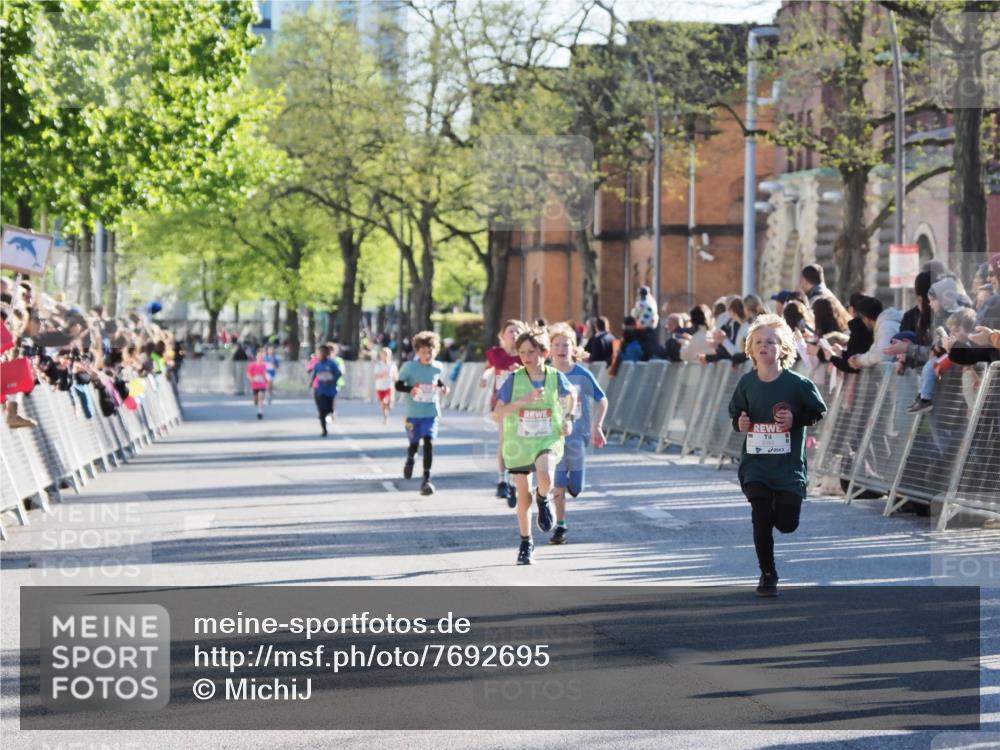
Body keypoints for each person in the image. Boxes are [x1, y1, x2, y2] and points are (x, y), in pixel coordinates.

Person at [728, 314, 827, 596]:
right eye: (758, 341)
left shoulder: (797, 384)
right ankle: (768, 574)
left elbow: (818, 412)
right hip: (756, 464)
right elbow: (736, 415)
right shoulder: (747, 384)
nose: (764, 346)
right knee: (760, 515)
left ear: (783, 348)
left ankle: (777, 508)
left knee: (786, 524)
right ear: (750, 348)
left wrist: (795, 418)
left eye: (771, 341)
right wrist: (740, 423)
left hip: (787, 466)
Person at [493, 327, 576, 565]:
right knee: (523, 495)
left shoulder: (555, 376)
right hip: (519, 443)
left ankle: (543, 498)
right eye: (521, 352)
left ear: (544, 352)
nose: (526, 357)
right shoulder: (514, 379)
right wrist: (523, 401)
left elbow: (572, 395)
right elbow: (498, 412)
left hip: (547, 438)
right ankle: (526, 543)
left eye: (531, 352)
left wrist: (569, 418)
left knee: (546, 477)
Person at [548, 323, 608, 545]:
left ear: (573, 348)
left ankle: (570, 487)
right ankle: (561, 525)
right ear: (550, 349)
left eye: (566, 345)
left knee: (576, 487)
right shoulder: (546, 375)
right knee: (558, 482)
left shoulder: (582, 375)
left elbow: (602, 399)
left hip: (578, 437)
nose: (561, 349)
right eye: (557, 345)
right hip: (553, 437)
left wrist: (598, 426)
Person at [395, 330, 449, 495]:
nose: (427, 355)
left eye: (430, 352)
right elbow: (398, 385)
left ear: (436, 351)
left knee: (428, 442)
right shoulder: (409, 367)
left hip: (431, 412)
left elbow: (436, 381)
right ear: (417, 352)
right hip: (413, 413)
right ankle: (410, 459)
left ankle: (426, 479)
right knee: (413, 443)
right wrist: (410, 389)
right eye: (424, 352)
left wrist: (443, 387)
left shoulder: (438, 367)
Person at [481, 319, 525, 504]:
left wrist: (521, 369)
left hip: (522, 403)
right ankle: (502, 480)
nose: (514, 334)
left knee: (518, 441)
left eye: (517, 331)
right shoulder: (496, 354)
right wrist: (484, 378)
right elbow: (488, 368)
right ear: (503, 335)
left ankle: (514, 481)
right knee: (505, 439)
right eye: (510, 331)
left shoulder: (525, 355)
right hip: (501, 403)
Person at [847, 295, 902, 370]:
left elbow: (882, 355)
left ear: (866, 317)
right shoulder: (882, 326)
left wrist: (860, 360)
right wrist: (859, 358)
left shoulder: (886, 327)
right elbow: (875, 352)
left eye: (862, 318)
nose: (863, 321)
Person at [310, 345, 343, 437]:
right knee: (321, 410)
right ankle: (324, 429)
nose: (318, 355)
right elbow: (315, 374)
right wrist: (311, 382)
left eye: (320, 353)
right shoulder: (318, 364)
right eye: (318, 353)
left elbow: (339, 373)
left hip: (331, 390)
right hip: (321, 389)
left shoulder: (332, 363)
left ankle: (329, 412)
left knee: (329, 409)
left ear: (325, 354)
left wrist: (332, 380)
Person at [373, 346, 399, 425]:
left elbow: (396, 375)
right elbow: (375, 376)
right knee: (383, 403)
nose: (385, 356)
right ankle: (385, 417)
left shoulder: (392, 365)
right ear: (381, 355)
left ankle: (390, 405)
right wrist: (381, 375)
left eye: (387, 354)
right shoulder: (378, 365)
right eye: (383, 354)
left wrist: (396, 378)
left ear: (390, 355)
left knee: (389, 402)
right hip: (380, 387)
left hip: (389, 386)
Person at [245, 349, 269, 420]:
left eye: (261, 357)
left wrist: (266, 381)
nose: (260, 358)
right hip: (255, 385)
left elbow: (266, 374)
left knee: (260, 396)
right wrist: (252, 379)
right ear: (256, 357)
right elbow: (248, 373)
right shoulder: (252, 365)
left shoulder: (265, 365)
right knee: (256, 398)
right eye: (259, 356)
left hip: (262, 384)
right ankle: (256, 401)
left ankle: (260, 412)